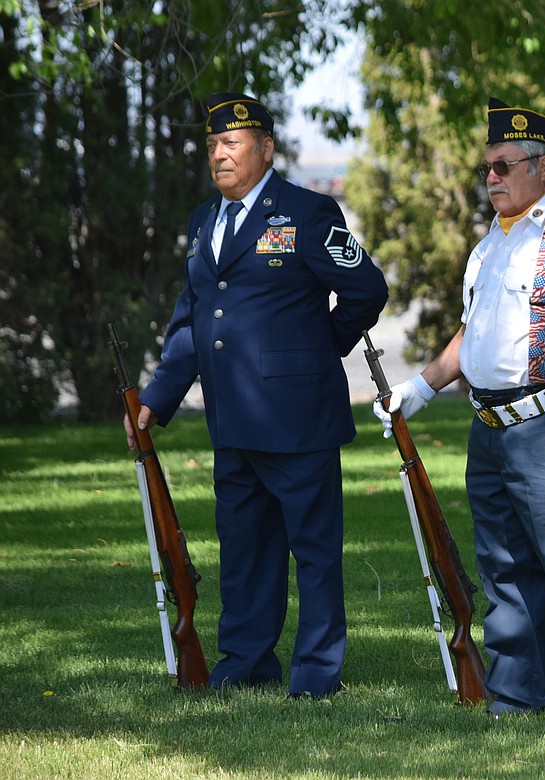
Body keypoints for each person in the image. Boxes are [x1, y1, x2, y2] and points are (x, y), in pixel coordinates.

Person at [373, 97, 545, 721]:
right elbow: (472, 336)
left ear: (542, 167)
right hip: (489, 428)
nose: (491, 177)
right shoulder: (489, 246)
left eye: (503, 165)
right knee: (504, 567)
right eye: (486, 167)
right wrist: (419, 389)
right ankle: (520, 692)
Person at [124, 92, 388, 698]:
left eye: (232, 143)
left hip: (298, 418)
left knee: (314, 550)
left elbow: (366, 289)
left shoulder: (308, 212)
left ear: (265, 149)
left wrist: (318, 351)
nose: (219, 154)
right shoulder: (202, 222)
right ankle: (246, 660)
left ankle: (317, 671)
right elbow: (191, 318)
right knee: (244, 548)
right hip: (234, 418)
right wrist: (158, 398)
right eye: (213, 144)